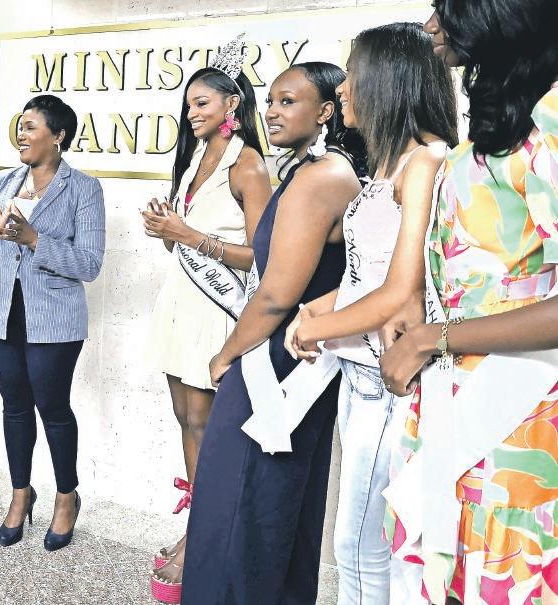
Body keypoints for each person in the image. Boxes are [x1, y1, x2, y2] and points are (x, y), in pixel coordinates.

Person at [379, 1, 557, 602]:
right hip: (454, 390)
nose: (431, 24)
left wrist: (434, 337)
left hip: (517, 410)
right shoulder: (500, 121)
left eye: (443, 8)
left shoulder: (550, 118)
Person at [283, 22, 458, 604]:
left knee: (362, 548)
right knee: (362, 543)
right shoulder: (389, 164)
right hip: (359, 373)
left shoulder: (426, 162)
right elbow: (367, 276)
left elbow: (403, 292)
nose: (343, 90)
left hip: (390, 382)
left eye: (353, 74)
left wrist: (317, 326)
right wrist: (314, 311)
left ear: (390, 80)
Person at [180, 63, 366, 604]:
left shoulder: (322, 177)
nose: (272, 111)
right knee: (273, 505)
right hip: (288, 356)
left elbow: (277, 294)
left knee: (241, 505)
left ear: (326, 111)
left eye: (288, 101)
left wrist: (225, 355)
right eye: (270, 101)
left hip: (280, 362)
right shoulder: (311, 171)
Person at [141, 35, 272, 600]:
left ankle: (206, 536)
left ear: (231, 105)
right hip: (181, 300)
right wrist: (166, 229)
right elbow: (185, 242)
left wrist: (189, 235)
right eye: (189, 104)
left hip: (218, 309)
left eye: (202, 103)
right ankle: (199, 523)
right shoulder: (195, 157)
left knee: (207, 425)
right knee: (184, 418)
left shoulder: (249, 165)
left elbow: (264, 257)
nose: (191, 112)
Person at [0, 94, 105, 551]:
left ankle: (67, 497)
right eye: (20, 127)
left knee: (53, 408)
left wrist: (33, 239)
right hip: (3, 316)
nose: (21, 136)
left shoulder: (84, 189)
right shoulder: (4, 181)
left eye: (30, 127)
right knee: (14, 408)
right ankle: (20, 494)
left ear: (58, 135)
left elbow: (89, 264)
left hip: (55, 321)